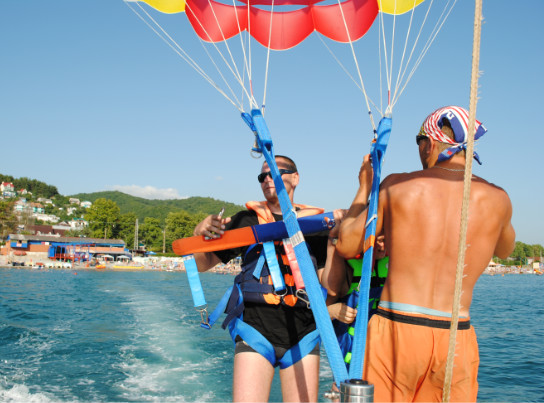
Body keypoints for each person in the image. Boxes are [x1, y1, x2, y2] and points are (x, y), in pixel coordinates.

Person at [331, 106, 515, 402]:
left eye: (418, 142)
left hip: (397, 329)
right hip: (456, 336)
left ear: (430, 143)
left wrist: (365, 187)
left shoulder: (398, 186)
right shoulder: (499, 198)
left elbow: (347, 244)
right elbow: (505, 250)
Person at [193, 155, 352, 402]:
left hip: (304, 332)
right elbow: (203, 264)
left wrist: (333, 243)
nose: (267, 179)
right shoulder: (245, 221)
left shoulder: (315, 226)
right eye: (262, 176)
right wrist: (199, 233)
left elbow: (331, 286)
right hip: (255, 329)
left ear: (295, 178)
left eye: (276, 173)